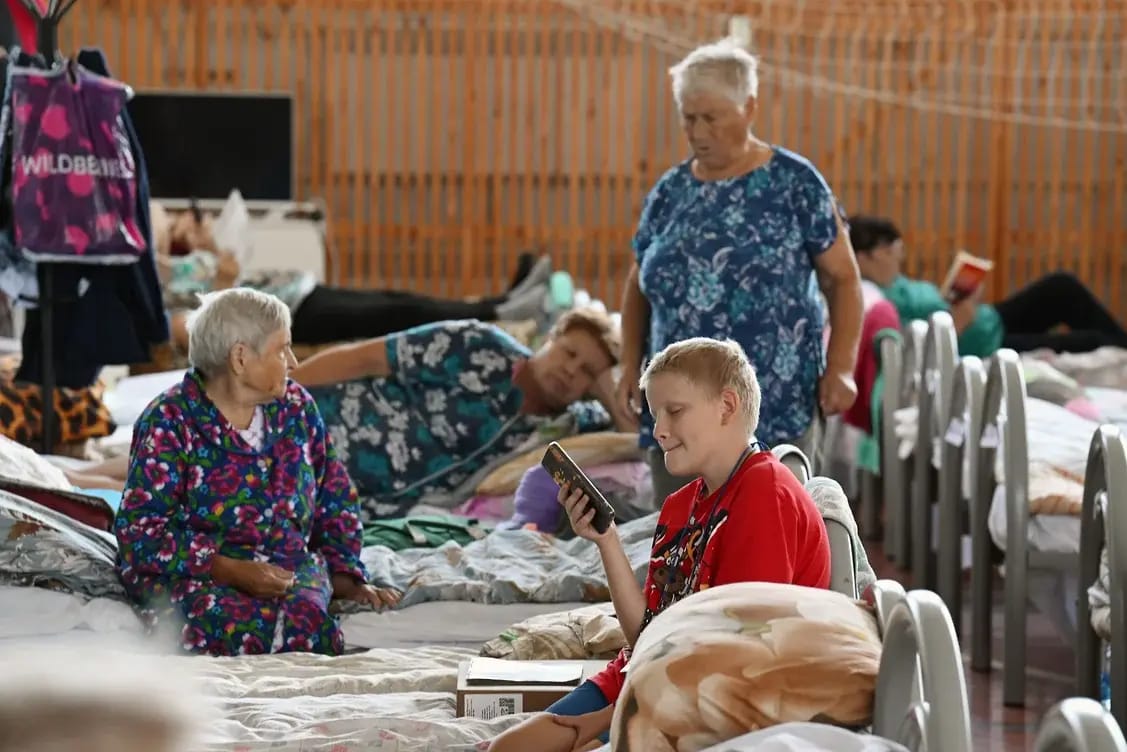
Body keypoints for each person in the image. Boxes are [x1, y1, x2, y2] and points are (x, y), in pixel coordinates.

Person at [488, 337, 832, 752]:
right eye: (655, 415)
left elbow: (739, 654)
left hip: (722, 702)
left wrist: (608, 721)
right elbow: (646, 635)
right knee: (507, 748)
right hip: (644, 679)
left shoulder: (764, 492)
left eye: (675, 411)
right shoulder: (680, 505)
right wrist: (606, 541)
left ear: (727, 406)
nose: (659, 431)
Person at [614, 40, 863, 501]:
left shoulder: (794, 183)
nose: (697, 132)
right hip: (679, 411)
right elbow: (638, 282)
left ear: (749, 108)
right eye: (689, 118)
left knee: (774, 526)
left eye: (711, 118)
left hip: (775, 400)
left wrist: (842, 367)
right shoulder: (670, 192)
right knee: (682, 532)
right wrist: (629, 362)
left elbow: (843, 279)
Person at [113, 288, 400, 657]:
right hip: (194, 575)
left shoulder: (296, 407)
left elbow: (335, 495)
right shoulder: (169, 420)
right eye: (282, 349)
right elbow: (139, 532)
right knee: (225, 625)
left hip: (285, 569)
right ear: (240, 357)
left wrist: (345, 574)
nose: (293, 362)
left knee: (308, 622)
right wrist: (226, 568)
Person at [290, 307, 622, 520]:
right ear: (551, 338)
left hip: (355, 501)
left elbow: (634, 438)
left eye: (587, 372)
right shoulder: (478, 344)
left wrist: (608, 391)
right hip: (312, 427)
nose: (570, 370)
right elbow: (365, 358)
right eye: (569, 353)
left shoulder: (569, 426)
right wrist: (283, 391)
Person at [154, 204, 555, 348]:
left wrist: (208, 249)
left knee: (396, 300)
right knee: (397, 316)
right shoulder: (159, 303)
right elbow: (205, 331)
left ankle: (501, 302)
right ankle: (502, 314)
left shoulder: (175, 264)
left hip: (297, 291)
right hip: (286, 318)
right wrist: (223, 281)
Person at [849, 215, 1127, 356]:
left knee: (1061, 287)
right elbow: (911, 355)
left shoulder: (893, 282)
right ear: (862, 257)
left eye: (896, 249)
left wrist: (963, 298)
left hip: (988, 318)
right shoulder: (874, 301)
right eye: (887, 251)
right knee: (1094, 342)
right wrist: (957, 324)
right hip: (986, 344)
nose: (896, 258)